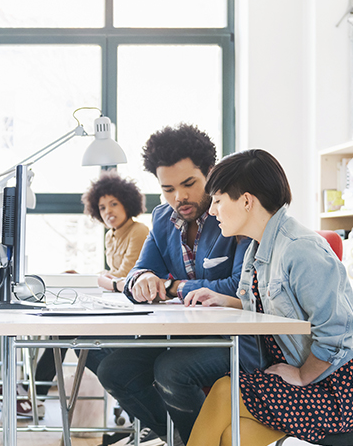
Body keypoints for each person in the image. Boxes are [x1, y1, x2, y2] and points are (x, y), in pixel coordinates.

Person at [95, 124, 257, 446]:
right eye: (167, 188)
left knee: (171, 371)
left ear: (211, 173)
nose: (179, 197)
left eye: (189, 184)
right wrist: (141, 281)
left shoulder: (232, 212)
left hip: (238, 337)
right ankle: (183, 439)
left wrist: (171, 287)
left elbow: (237, 286)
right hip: (186, 333)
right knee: (114, 369)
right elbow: (138, 273)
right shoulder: (160, 219)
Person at [183, 149, 353, 446]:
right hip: (300, 382)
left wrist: (301, 375)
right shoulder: (257, 249)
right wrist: (229, 301)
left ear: (247, 201)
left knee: (225, 390)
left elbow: (337, 335)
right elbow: (279, 305)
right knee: (231, 435)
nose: (211, 211)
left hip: (332, 389)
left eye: (219, 201)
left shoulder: (301, 249)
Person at [26, 171, 149, 419]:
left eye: (114, 203)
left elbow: (121, 276)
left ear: (128, 203)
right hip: (117, 306)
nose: (108, 211)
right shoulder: (111, 236)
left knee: (66, 332)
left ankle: (35, 395)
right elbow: (111, 274)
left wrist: (92, 278)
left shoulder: (138, 230)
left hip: (134, 312)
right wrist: (83, 276)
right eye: (102, 207)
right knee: (64, 331)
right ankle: (35, 394)